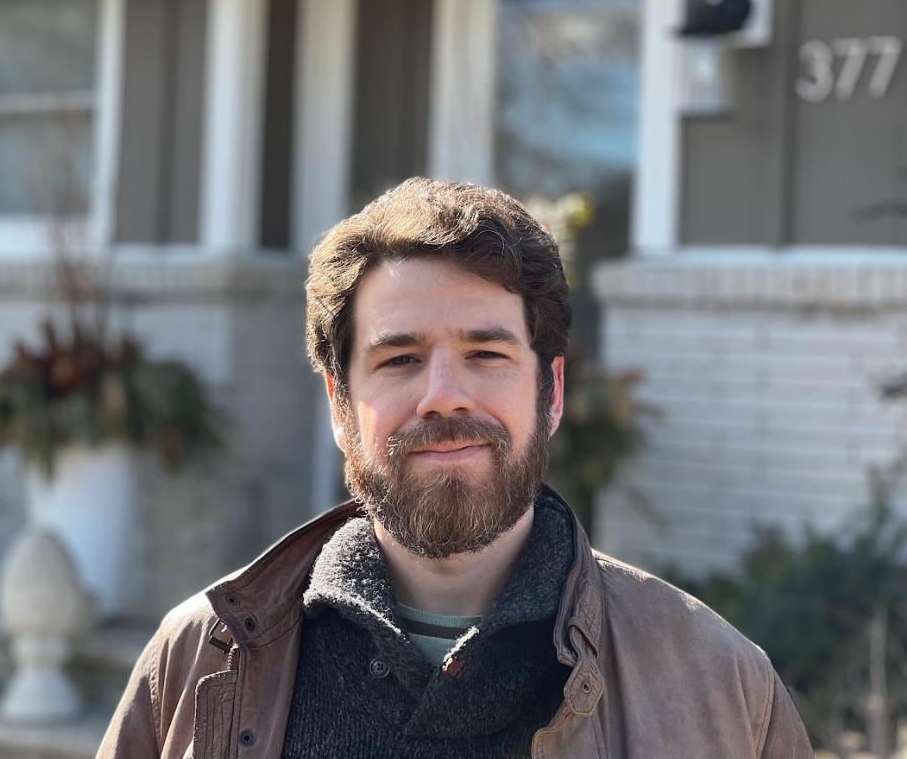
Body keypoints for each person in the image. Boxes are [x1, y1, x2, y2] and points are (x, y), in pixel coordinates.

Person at [97, 178, 813, 758]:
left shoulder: (719, 683)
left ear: (551, 391)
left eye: (487, 354)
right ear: (339, 404)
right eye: (400, 358)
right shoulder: (196, 662)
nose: (444, 395)